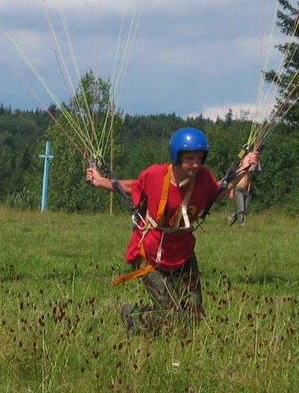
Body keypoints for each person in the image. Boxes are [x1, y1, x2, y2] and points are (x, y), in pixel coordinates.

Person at [86, 126, 259, 334]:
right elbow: (133, 187)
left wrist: (244, 167)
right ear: (177, 157)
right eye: (189, 159)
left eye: (199, 159)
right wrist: (100, 181)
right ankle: (133, 316)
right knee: (172, 316)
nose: (195, 164)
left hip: (183, 253)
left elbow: (217, 191)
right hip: (151, 255)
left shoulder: (203, 177)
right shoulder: (155, 175)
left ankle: (152, 322)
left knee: (193, 315)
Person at [228, 144, 261, 228]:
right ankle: (241, 225)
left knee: (245, 210)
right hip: (238, 188)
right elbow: (234, 174)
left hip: (246, 189)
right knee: (241, 208)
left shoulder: (250, 164)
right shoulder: (240, 163)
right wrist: (231, 191)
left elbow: (250, 176)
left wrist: (249, 188)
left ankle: (232, 218)